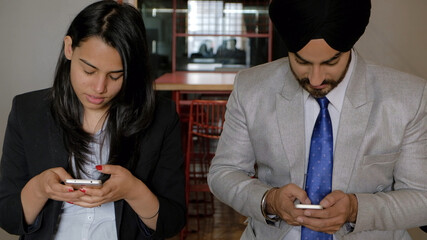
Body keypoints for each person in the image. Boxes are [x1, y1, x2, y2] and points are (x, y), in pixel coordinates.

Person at [208, 0, 427, 239]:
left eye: (330, 62)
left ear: (349, 47)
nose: (315, 79)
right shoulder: (251, 88)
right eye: (301, 61)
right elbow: (223, 172)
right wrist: (268, 200)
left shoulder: (409, 98)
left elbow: (422, 198)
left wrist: (357, 209)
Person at [0, 1, 185, 239]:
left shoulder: (161, 117)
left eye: (116, 76)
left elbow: (172, 223)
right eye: (89, 71)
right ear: (69, 48)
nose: (99, 88)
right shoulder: (28, 111)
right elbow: (7, 217)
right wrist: (40, 188)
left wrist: (133, 190)